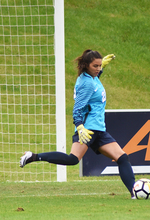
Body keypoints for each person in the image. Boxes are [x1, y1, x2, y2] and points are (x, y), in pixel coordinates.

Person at [20, 49, 136, 199]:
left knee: (122, 158)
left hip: (99, 129)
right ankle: (33, 156)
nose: (98, 69)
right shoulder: (86, 83)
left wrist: (102, 69)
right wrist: (80, 126)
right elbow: (78, 108)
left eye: (100, 65)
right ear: (86, 65)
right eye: (96, 66)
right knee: (72, 159)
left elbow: (94, 85)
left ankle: (135, 192)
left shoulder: (91, 77)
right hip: (88, 129)